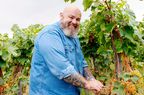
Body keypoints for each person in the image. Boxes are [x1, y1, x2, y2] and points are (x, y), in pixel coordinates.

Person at [29, 6, 103, 95]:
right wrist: (87, 84)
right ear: (61, 16)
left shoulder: (73, 36)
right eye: (71, 17)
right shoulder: (49, 35)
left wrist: (91, 79)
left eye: (78, 19)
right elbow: (63, 69)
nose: (74, 22)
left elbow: (82, 62)